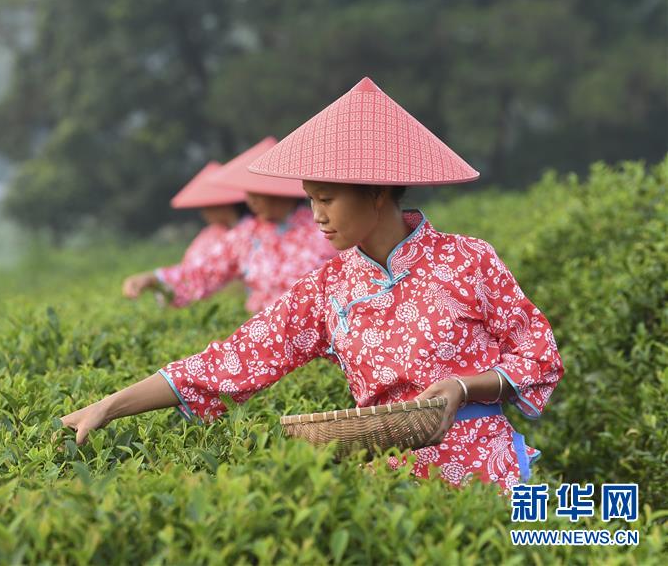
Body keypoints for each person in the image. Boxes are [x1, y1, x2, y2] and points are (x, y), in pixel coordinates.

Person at [57, 77, 563, 492]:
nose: (317, 216)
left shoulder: (468, 260)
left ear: (380, 191)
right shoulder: (326, 289)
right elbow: (230, 361)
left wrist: (463, 386)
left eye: (328, 199)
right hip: (389, 484)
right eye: (311, 199)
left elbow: (538, 355)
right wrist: (109, 406)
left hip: (489, 472)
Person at [137, 137, 338, 313]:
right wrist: (156, 279)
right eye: (249, 194)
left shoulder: (324, 229)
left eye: (258, 194)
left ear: (279, 191)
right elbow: (205, 272)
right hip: (268, 338)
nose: (251, 202)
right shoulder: (246, 235)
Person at [122, 161, 247, 303]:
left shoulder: (249, 233)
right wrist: (154, 279)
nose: (204, 213)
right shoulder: (213, 236)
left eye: (208, 206)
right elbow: (200, 274)